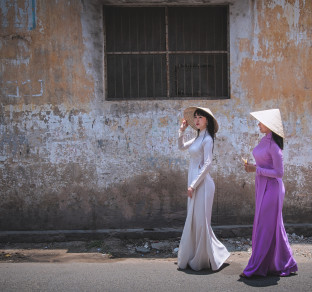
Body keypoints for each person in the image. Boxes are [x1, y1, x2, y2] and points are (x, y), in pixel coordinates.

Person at [241, 108, 298, 278]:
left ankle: (257, 267)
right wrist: (254, 167)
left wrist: (256, 169)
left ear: (270, 125)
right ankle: (286, 262)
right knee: (273, 226)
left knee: (265, 227)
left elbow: (279, 173)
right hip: (262, 185)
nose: (258, 124)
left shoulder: (274, 146)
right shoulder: (264, 140)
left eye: (261, 122)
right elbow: (263, 164)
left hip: (272, 188)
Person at [177, 106, 230, 271]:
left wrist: (193, 185)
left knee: (201, 223)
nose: (197, 120)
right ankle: (199, 255)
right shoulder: (197, 138)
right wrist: (181, 131)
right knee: (194, 221)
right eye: (195, 117)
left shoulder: (208, 139)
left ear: (207, 120)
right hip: (194, 182)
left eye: (200, 117)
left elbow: (207, 164)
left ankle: (207, 258)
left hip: (203, 185)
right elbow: (181, 147)